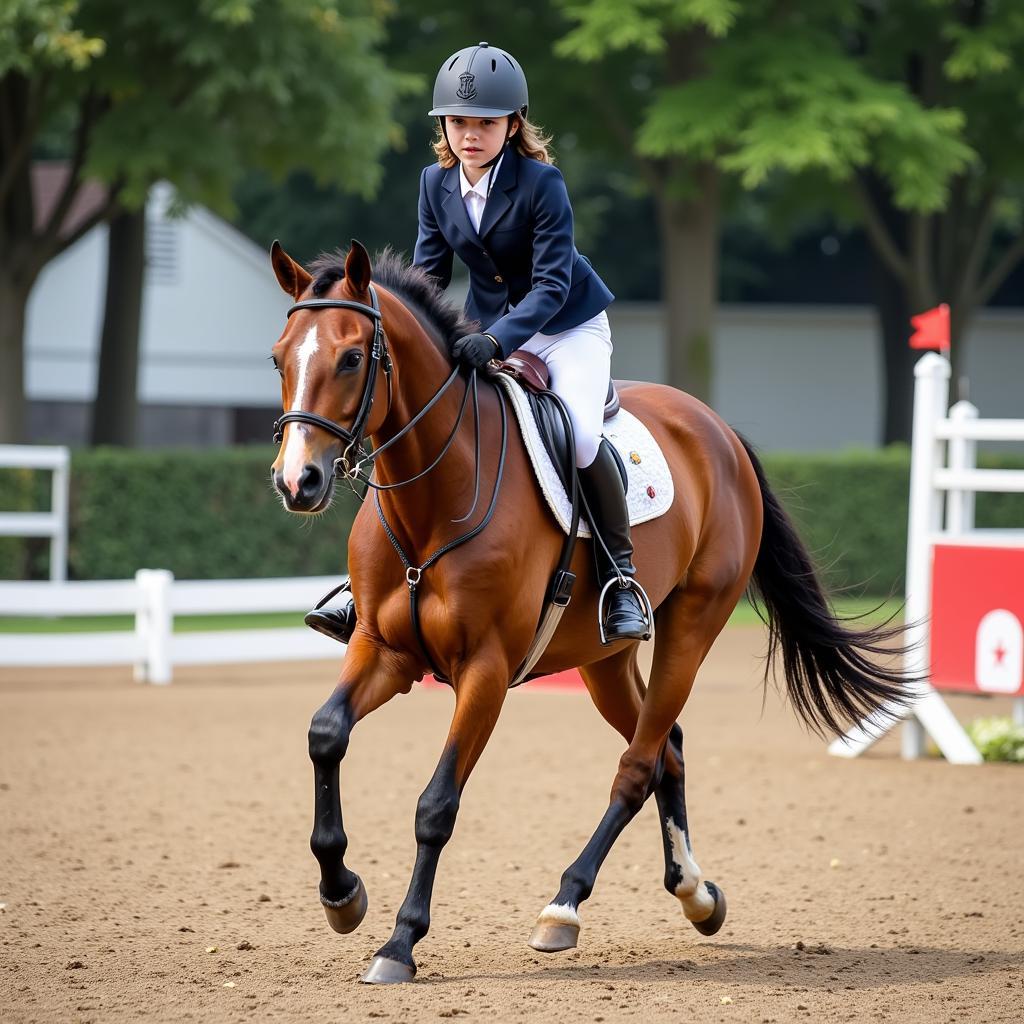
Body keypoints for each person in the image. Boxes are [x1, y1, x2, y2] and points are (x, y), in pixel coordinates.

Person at [307, 41, 648, 646]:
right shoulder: (433, 184)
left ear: (511, 125)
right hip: (485, 330)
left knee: (582, 435)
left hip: (566, 325)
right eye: (460, 122)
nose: (471, 135)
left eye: (486, 124)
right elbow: (425, 278)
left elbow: (550, 285)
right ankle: (362, 584)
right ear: (445, 125)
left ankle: (621, 579)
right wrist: (417, 336)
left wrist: (493, 340)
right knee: (415, 423)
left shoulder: (543, 184)